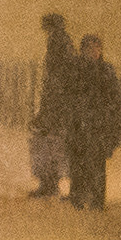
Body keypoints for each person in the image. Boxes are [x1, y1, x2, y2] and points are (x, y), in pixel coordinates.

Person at [51, 30, 121, 210]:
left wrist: (109, 119)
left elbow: (114, 98)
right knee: (78, 162)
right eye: (90, 48)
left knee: (96, 164)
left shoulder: (105, 71)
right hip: (80, 124)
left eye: (97, 48)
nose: (94, 52)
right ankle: (78, 197)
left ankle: (96, 200)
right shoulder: (76, 69)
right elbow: (68, 94)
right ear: (83, 49)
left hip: (97, 126)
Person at [29, 12, 77, 200]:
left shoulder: (58, 42)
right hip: (57, 104)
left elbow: (56, 76)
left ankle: (48, 183)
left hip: (55, 105)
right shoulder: (64, 42)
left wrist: (49, 105)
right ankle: (51, 182)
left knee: (48, 144)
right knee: (53, 144)